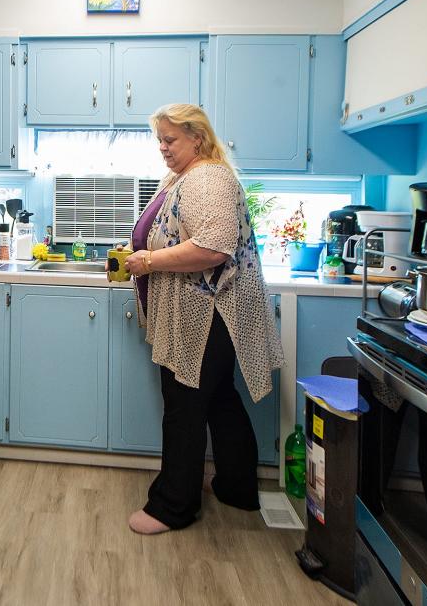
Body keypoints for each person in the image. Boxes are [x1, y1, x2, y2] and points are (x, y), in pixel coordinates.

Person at [123, 103, 283, 534]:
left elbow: (213, 248)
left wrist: (150, 260)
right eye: (159, 139)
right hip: (208, 310)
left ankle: (173, 506)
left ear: (197, 137)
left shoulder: (208, 177)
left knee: (184, 406)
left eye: (170, 139)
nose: (162, 148)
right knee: (217, 399)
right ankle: (237, 485)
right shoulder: (188, 175)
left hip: (206, 312)